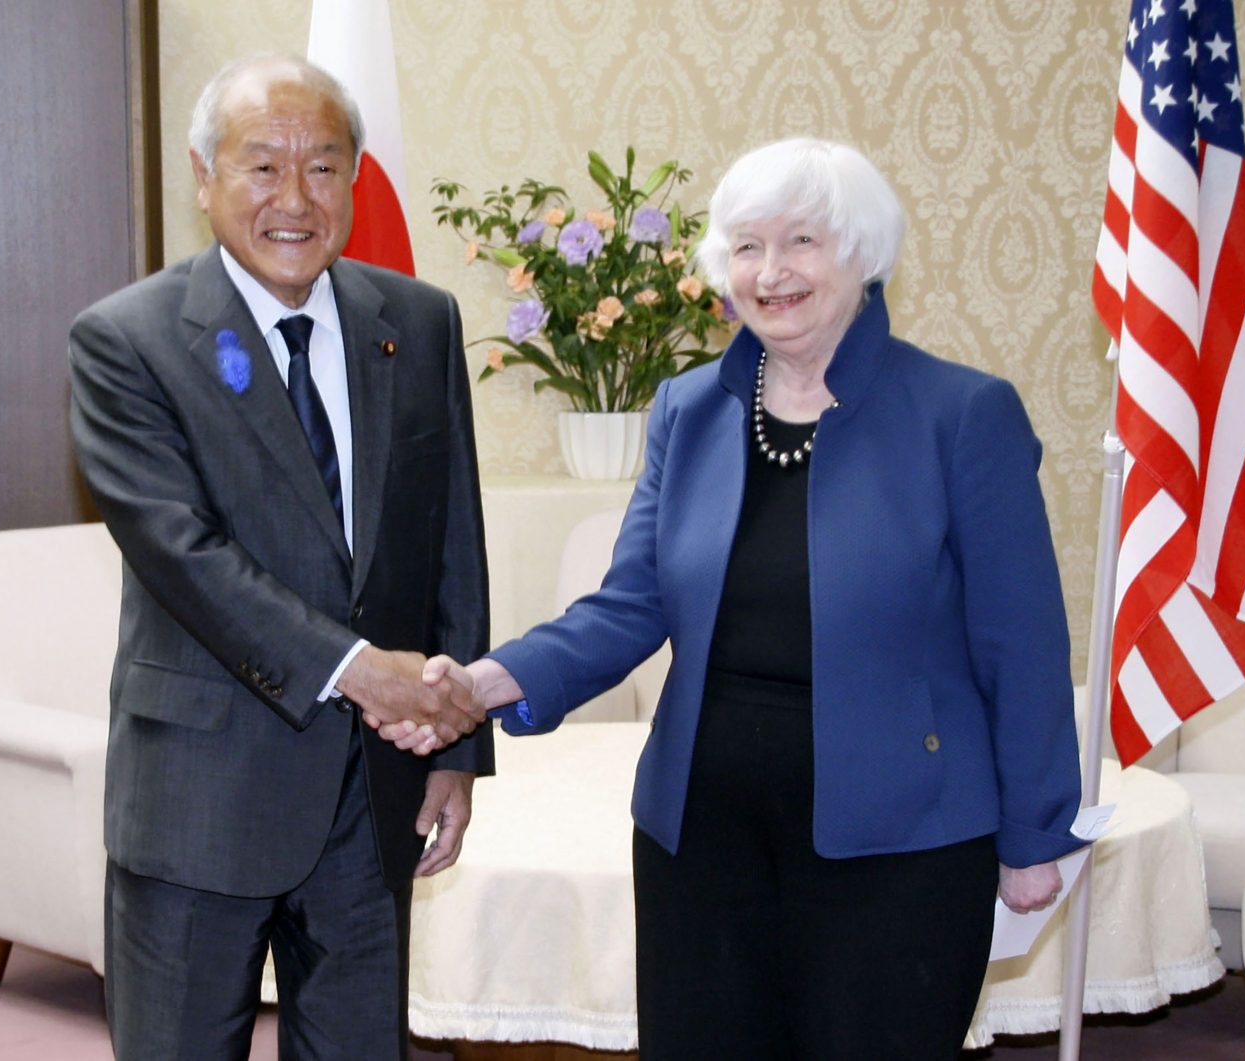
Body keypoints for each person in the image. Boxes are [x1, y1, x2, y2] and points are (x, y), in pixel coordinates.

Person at [396, 138, 1085, 1059]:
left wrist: (1036, 834)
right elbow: (629, 604)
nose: (772, 272)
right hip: (702, 839)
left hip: (903, 844)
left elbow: (1023, 643)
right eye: (748, 247)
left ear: (863, 255)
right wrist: (483, 682)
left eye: (802, 241)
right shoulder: (689, 409)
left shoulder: (961, 414)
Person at [69, 54, 491, 1060]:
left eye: (324, 167)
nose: (296, 199)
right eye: (263, 167)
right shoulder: (127, 341)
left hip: (374, 788)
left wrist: (456, 743)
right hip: (201, 798)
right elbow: (184, 555)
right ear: (205, 176)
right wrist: (358, 669)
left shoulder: (418, 324)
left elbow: (449, 545)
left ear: (355, 177)